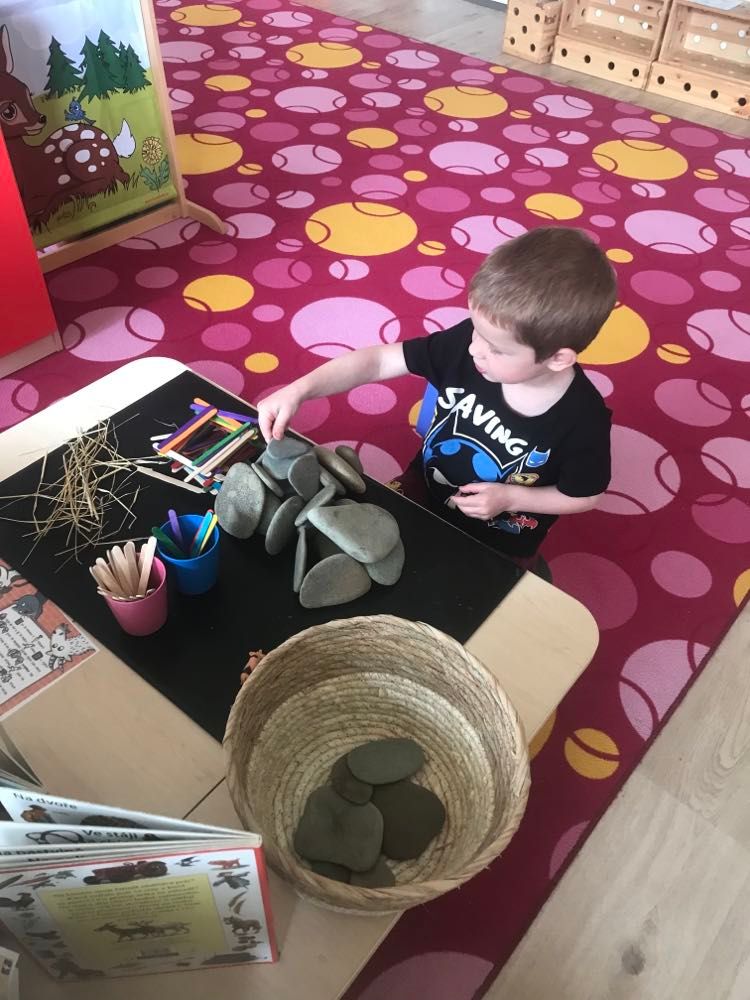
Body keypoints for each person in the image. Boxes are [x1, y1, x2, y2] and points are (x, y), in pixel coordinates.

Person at [257, 227, 617, 567]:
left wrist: (511, 498)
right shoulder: (468, 343)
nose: (474, 350)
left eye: (496, 349)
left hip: (500, 536)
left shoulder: (583, 421)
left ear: (558, 358)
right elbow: (379, 361)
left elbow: (585, 495)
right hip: (423, 488)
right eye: (475, 330)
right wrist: (300, 389)